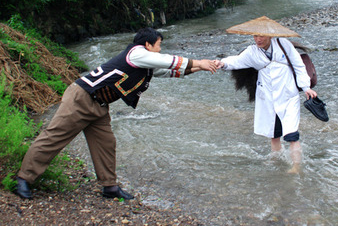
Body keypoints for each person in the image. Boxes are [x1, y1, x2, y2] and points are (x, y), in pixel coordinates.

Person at [14, 27, 218, 200]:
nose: (160, 48)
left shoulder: (145, 63)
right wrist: (199, 61)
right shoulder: (136, 53)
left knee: (106, 143)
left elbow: (171, 71)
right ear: (148, 45)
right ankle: (24, 178)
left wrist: (200, 68)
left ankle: (109, 186)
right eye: (158, 44)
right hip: (82, 98)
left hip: (99, 105)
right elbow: (168, 60)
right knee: (55, 136)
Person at [216, 16, 317, 174]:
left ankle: (296, 167)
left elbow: (298, 65)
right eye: (255, 36)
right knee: (273, 134)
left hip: (287, 96)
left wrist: (306, 87)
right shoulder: (252, 52)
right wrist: (222, 63)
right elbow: (236, 61)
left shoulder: (283, 45)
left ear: (270, 35)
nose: (258, 39)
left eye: (261, 35)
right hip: (267, 98)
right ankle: (276, 162)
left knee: (292, 134)